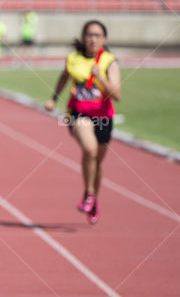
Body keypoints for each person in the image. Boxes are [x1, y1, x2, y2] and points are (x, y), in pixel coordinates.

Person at [44, 20, 122, 225]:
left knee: (96, 161)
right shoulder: (73, 59)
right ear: (83, 37)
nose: (93, 39)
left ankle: (93, 197)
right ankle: (88, 193)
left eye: (97, 35)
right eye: (89, 35)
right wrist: (53, 98)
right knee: (89, 149)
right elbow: (63, 77)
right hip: (76, 114)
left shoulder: (109, 61)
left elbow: (117, 95)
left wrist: (100, 78)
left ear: (104, 39)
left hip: (104, 118)